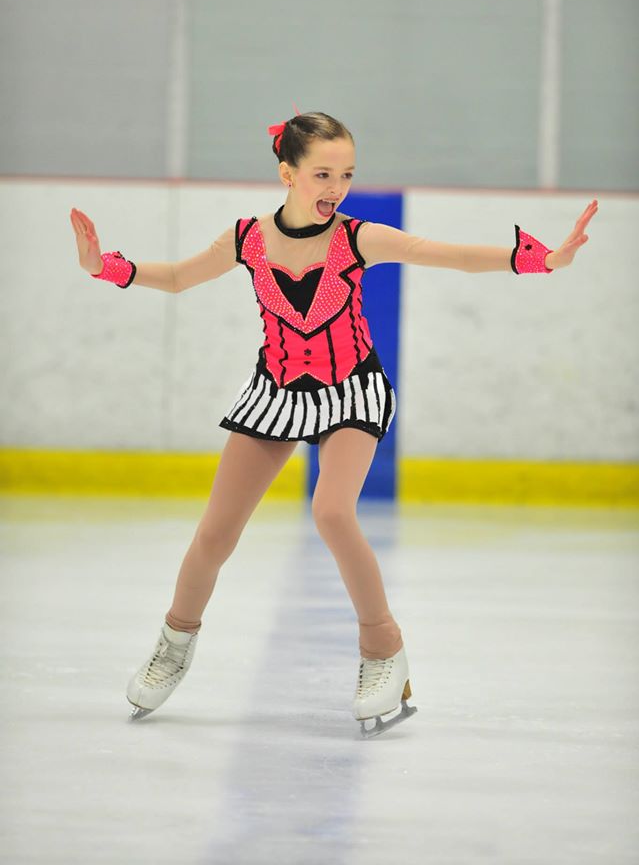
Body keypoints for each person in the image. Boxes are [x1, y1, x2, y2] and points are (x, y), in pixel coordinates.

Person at [70, 111, 598, 738]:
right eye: (323, 173)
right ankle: (174, 645)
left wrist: (540, 261)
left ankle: (383, 651)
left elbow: (448, 255)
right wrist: (105, 266)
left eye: (346, 174)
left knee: (332, 512)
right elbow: (182, 277)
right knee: (214, 533)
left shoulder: (356, 238)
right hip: (277, 392)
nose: (336, 187)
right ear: (287, 173)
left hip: (352, 392)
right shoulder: (247, 239)